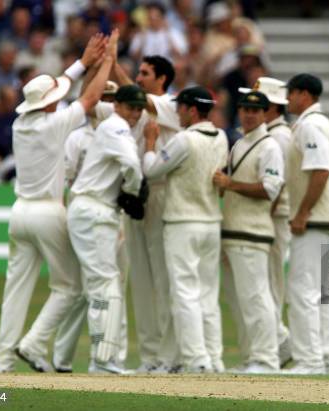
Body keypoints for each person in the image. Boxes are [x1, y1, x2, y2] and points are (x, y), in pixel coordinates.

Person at [0, 32, 112, 374]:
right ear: (48, 102)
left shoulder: (20, 124)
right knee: (70, 286)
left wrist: (82, 63)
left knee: (15, 289)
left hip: (19, 213)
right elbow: (89, 99)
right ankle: (33, 343)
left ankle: (3, 363)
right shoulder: (56, 124)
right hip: (47, 211)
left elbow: (56, 87)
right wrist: (103, 62)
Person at [143, 86, 228, 373]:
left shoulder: (184, 140)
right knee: (207, 293)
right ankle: (214, 358)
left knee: (185, 293)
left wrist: (150, 143)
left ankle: (196, 360)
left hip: (183, 223)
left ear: (192, 110)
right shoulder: (222, 137)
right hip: (211, 222)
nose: (177, 113)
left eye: (181, 108)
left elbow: (152, 170)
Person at [52, 81, 131, 373]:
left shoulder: (122, 131)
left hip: (112, 216)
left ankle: (113, 357)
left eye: (113, 99)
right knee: (89, 289)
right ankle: (63, 357)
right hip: (88, 218)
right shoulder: (77, 138)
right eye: (104, 98)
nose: (108, 105)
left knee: (113, 287)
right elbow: (66, 180)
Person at [66, 84, 146, 374]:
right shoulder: (116, 126)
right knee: (106, 284)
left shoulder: (114, 126)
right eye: (131, 107)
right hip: (94, 210)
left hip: (93, 209)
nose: (136, 113)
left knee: (101, 285)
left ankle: (100, 359)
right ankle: (102, 361)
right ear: (118, 106)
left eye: (139, 108)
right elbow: (132, 165)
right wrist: (135, 191)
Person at [113, 55, 181, 373]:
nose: (138, 78)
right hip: (134, 196)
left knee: (163, 279)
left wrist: (113, 62)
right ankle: (150, 357)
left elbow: (135, 95)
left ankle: (171, 356)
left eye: (145, 73)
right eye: (137, 72)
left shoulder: (172, 105)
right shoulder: (137, 111)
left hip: (161, 194)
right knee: (140, 280)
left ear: (162, 79)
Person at [213, 91, 284, 374]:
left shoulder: (270, 146)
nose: (249, 114)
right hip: (234, 230)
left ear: (265, 113)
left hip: (252, 232)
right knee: (241, 300)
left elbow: (271, 189)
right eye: (244, 109)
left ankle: (266, 359)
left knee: (256, 297)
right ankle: (252, 357)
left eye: (255, 110)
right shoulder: (240, 144)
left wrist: (230, 185)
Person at [284, 73, 329, 375]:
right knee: (327, 290)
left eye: (291, 94)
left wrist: (302, 213)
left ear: (305, 95)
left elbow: (320, 171)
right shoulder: (321, 123)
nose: (287, 100)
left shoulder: (310, 125)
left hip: (315, 218)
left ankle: (310, 360)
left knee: (304, 290)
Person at [238, 77, 293, 367]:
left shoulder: (279, 136)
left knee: (269, 286)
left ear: (271, 106)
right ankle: (279, 344)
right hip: (271, 215)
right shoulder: (272, 133)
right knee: (267, 284)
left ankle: (279, 346)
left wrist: (265, 215)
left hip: (274, 215)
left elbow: (277, 184)